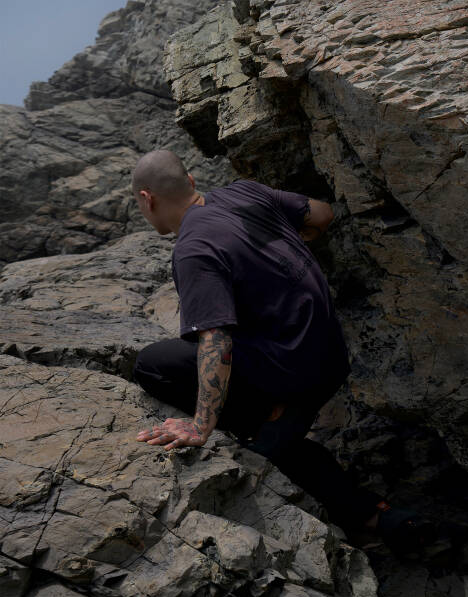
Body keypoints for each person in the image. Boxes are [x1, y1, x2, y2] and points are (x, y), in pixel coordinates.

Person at [131, 149, 436, 557]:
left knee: (152, 365)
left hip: (293, 370)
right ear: (190, 180)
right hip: (330, 355)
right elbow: (322, 214)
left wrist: (200, 427)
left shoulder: (193, 248)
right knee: (271, 433)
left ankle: (268, 420)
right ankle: (375, 513)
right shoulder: (245, 193)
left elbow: (216, 341)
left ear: (147, 199)